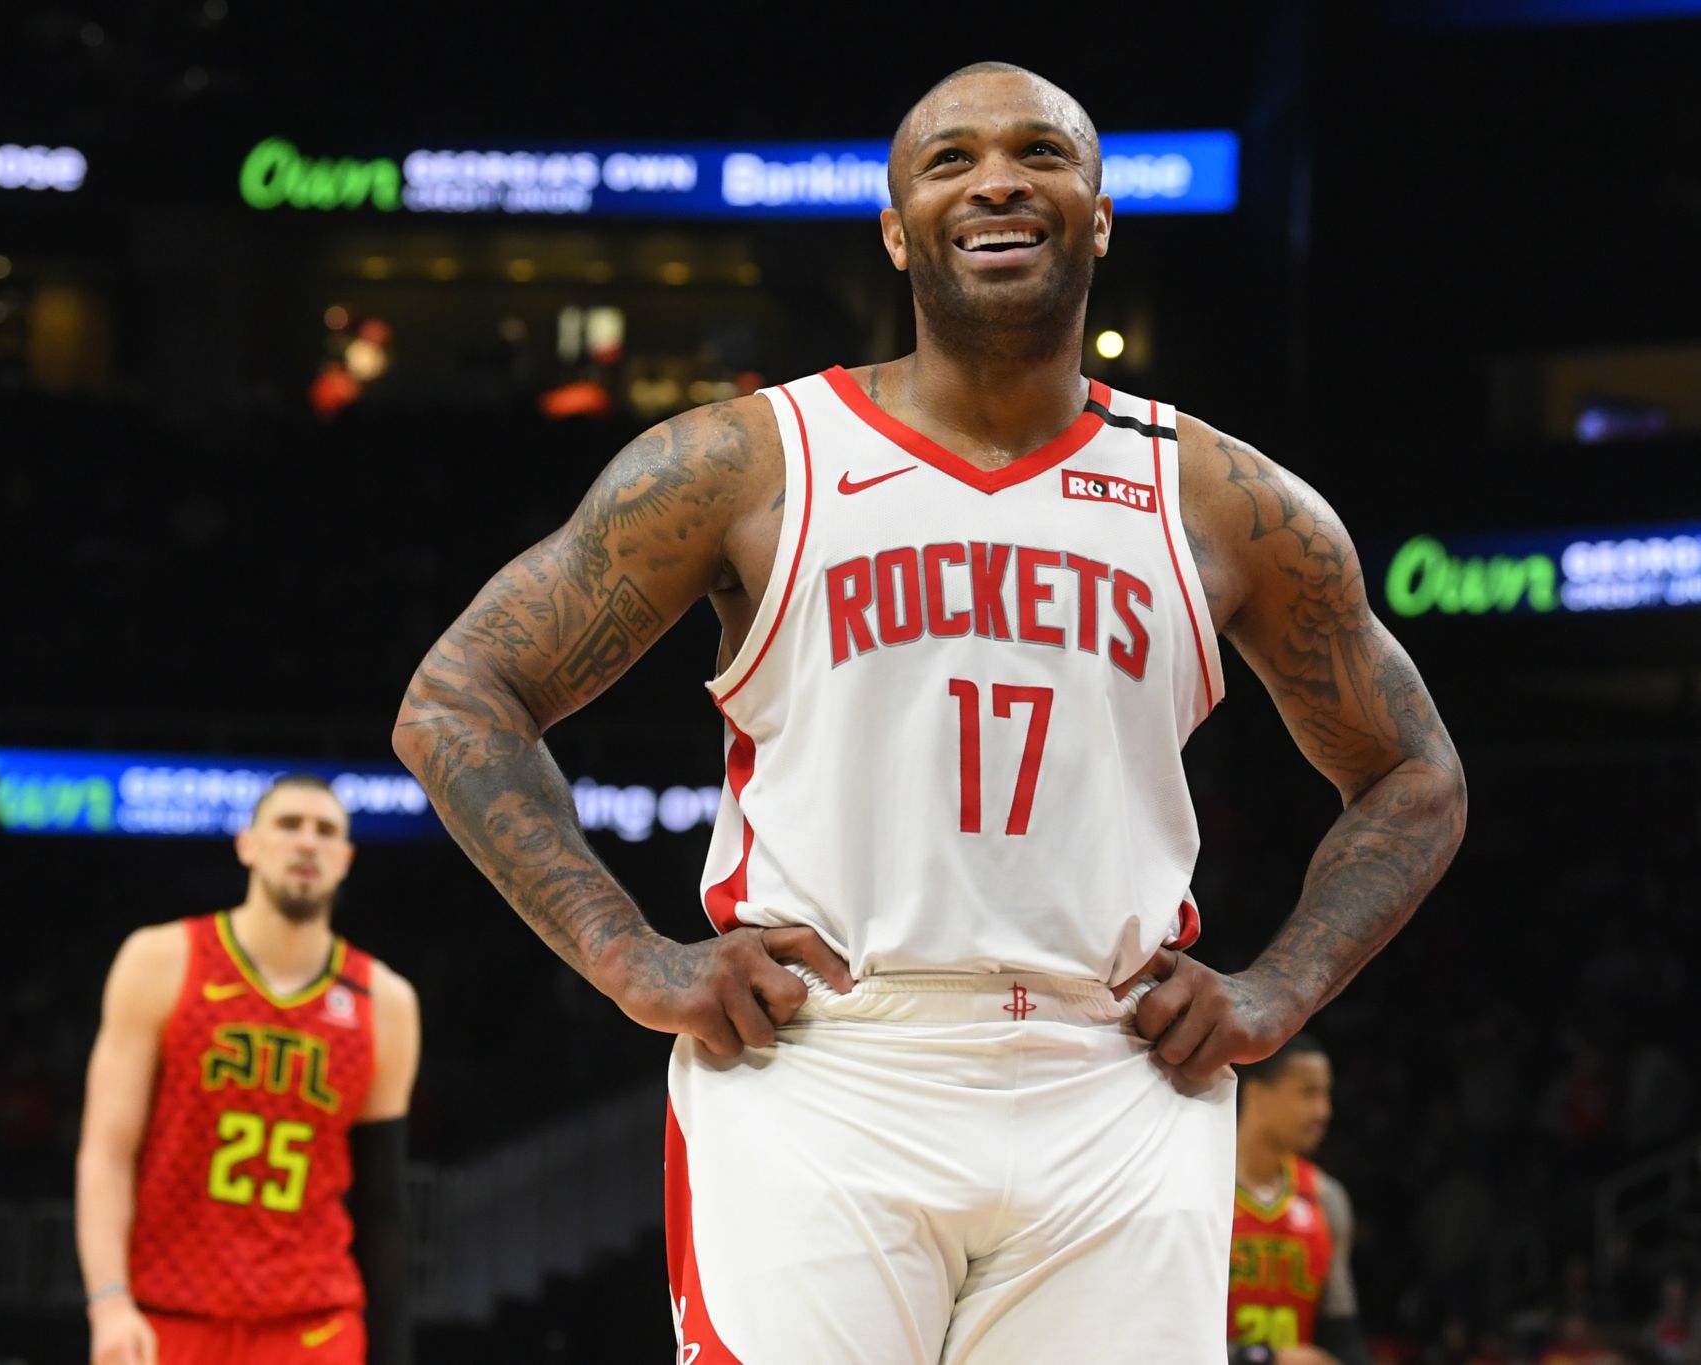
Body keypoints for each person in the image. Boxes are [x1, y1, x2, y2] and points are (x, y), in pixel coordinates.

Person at [393, 60, 1466, 1363]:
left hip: (1115, 1070)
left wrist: (1278, 991)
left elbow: (1415, 775)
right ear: (897, 231)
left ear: (1100, 216)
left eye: (1039, 154)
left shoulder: (1224, 500)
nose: (996, 181)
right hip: (827, 1063)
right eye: (950, 160)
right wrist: (630, 957)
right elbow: (458, 700)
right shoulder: (746, 462)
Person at [74, 775, 421, 1365]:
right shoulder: (160, 960)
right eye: (288, 825)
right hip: (171, 1312)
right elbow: (107, 1152)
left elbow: (382, 1202)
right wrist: (109, 1304)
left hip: (312, 1324)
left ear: (345, 859)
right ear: (247, 844)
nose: (307, 842)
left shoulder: (385, 1001)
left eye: (326, 831)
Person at [1228, 1035, 1369, 1365]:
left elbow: (1343, 1340)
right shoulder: (1201, 1187)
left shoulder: (1326, 1197)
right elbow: (1161, 1331)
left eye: (1326, 1094)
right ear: (1256, 1094)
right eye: (1308, 1093)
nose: (1324, 1111)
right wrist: (1264, 1358)